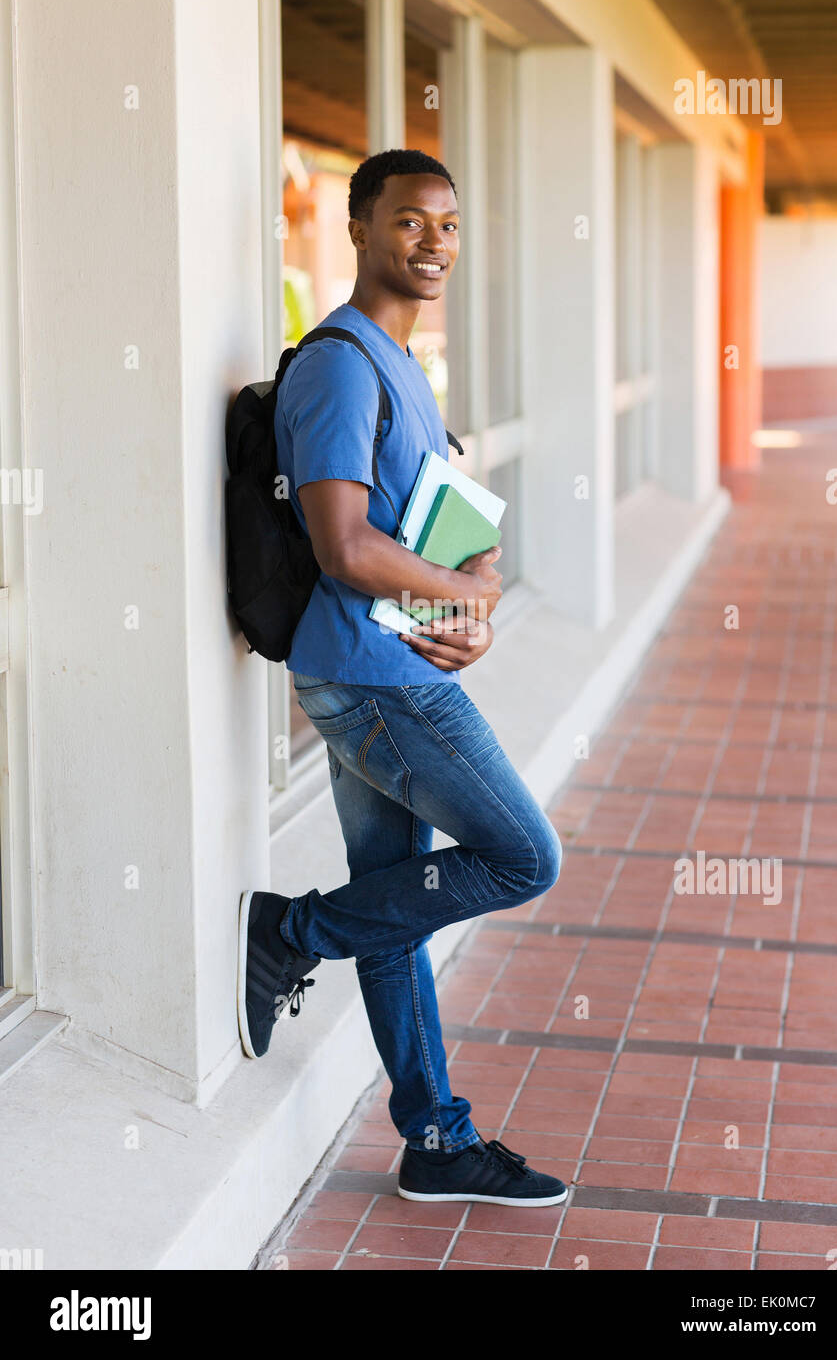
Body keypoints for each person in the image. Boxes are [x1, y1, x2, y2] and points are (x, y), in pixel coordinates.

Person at [238, 149, 565, 1206]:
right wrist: (458, 602)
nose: (432, 242)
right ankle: (291, 932)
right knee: (523, 855)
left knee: (401, 903)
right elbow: (344, 547)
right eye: (409, 221)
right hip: (372, 681)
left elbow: (425, 530)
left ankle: (432, 1136)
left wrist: (471, 595)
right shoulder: (339, 364)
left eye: (449, 225)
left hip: (382, 663)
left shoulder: (397, 364)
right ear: (360, 229)